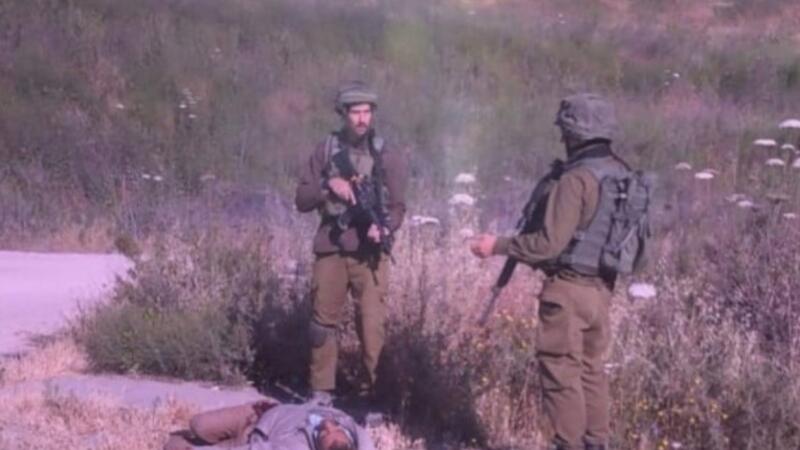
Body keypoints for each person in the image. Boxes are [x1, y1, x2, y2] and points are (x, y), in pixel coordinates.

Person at [470, 93, 628, 450]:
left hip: (568, 292)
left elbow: (547, 245)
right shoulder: (620, 172)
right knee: (591, 371)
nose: (561, 136)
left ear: (574, 132)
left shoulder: (576, 179)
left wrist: (496, 245)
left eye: (564, 130)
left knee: (561, 374)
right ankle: (597, 443)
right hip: (601, 291)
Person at [295, 81, 407, 406]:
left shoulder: (387, 155)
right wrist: (328, 186)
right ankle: (321, 391)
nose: (361, 119)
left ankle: (372, 396)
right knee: (321, 324)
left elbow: (398, 207)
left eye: (367, 112)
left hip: (369, 254)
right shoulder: (326, 150)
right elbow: (302, 199)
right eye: (355, 112)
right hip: (331, 248)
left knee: (372, 327)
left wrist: (384, 228)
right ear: (343, 114)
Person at [163, 399, 375, 450]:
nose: (328, 426)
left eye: (323, 434)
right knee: (198, 424)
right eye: (336, 428)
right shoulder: (357, 432)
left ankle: (182, 441)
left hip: (248, 441)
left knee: (174, 446)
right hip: (255, 415)